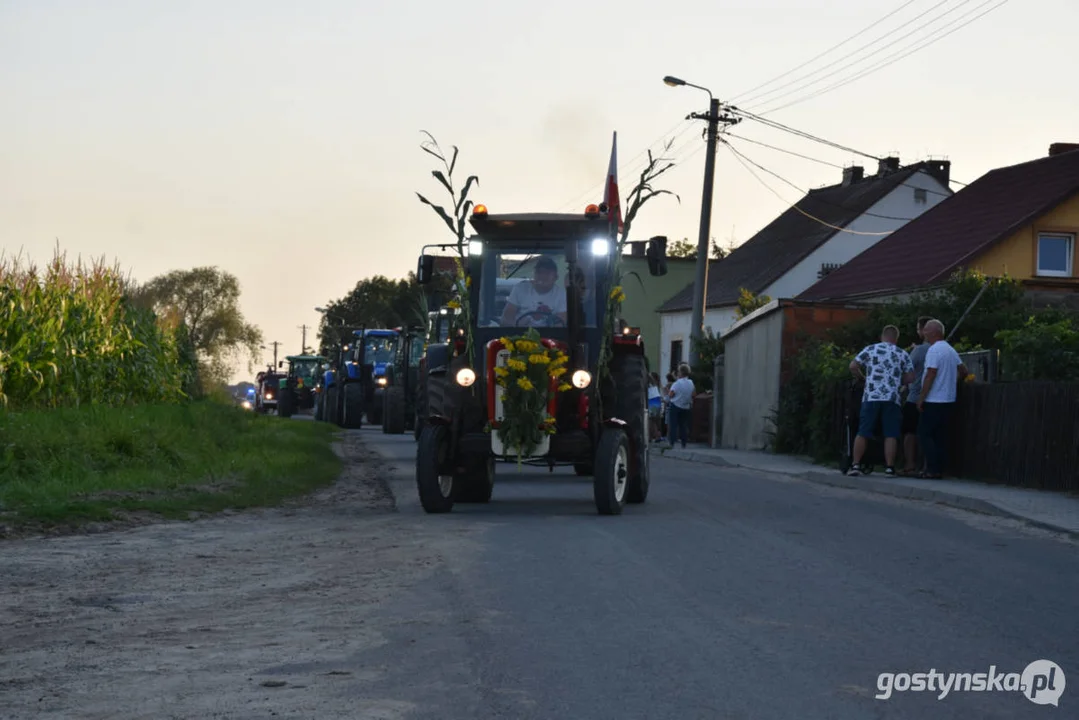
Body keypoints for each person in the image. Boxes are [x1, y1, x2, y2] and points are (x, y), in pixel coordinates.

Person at [847, 325, 915, 477]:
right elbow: (911, 377)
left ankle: (856, 465)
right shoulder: (902, 353)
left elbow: (853, 366)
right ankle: (889, 467)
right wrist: (898, 382)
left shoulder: (871, 349)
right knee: (890, 433)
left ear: (882, 336)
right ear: (896, 339)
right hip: (892, 397)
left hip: (872, 395)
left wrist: (864, 379)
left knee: (864, 430)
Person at [916, 319, 970, 479]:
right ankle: (940, 468)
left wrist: (921, 398)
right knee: (940, 436)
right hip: (949, 399)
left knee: (924, 434)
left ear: (933, 332)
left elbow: (930, 374)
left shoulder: (934, 350)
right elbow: (964, 371)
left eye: (926, 330)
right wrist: (952, 382)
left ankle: (932, 468)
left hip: (934, 399)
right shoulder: (950, 350)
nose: (924, 333)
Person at [901, 316, 932, 475]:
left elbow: (907, 369)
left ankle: (910, 465)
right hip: (933, 398)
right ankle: (927, 466)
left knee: (909, 432)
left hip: (915, 396)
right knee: (928, 433)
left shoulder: (919, 350)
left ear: (923, 331)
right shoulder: (941, 349)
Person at [500, 256, 567, 327]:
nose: (542, 276)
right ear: (534, 274)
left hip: (548, 335)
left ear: (556, 277)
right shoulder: (520, 289)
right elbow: (506, 319)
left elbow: (561, 323)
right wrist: (516, 325)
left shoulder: (561, 295)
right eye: (539, 272)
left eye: (547, 273)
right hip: (521, 334)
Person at [667, 363, 695, 449]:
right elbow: (694, 394)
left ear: (681, 372)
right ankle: (684, 442)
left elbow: (671, 394)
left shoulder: (677, 383)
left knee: (673, 424)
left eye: (679, 371)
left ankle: (672, 442)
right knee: (683, 425)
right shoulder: (691, 382)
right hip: (686, 406)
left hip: (675, 405)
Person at [647, 372, 663, 441]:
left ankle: (654, 436)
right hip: (656, 400)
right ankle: (657, 435)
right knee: (655, 421)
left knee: (651, 420)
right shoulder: (656, 385)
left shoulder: (651, 384)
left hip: (652, 401)